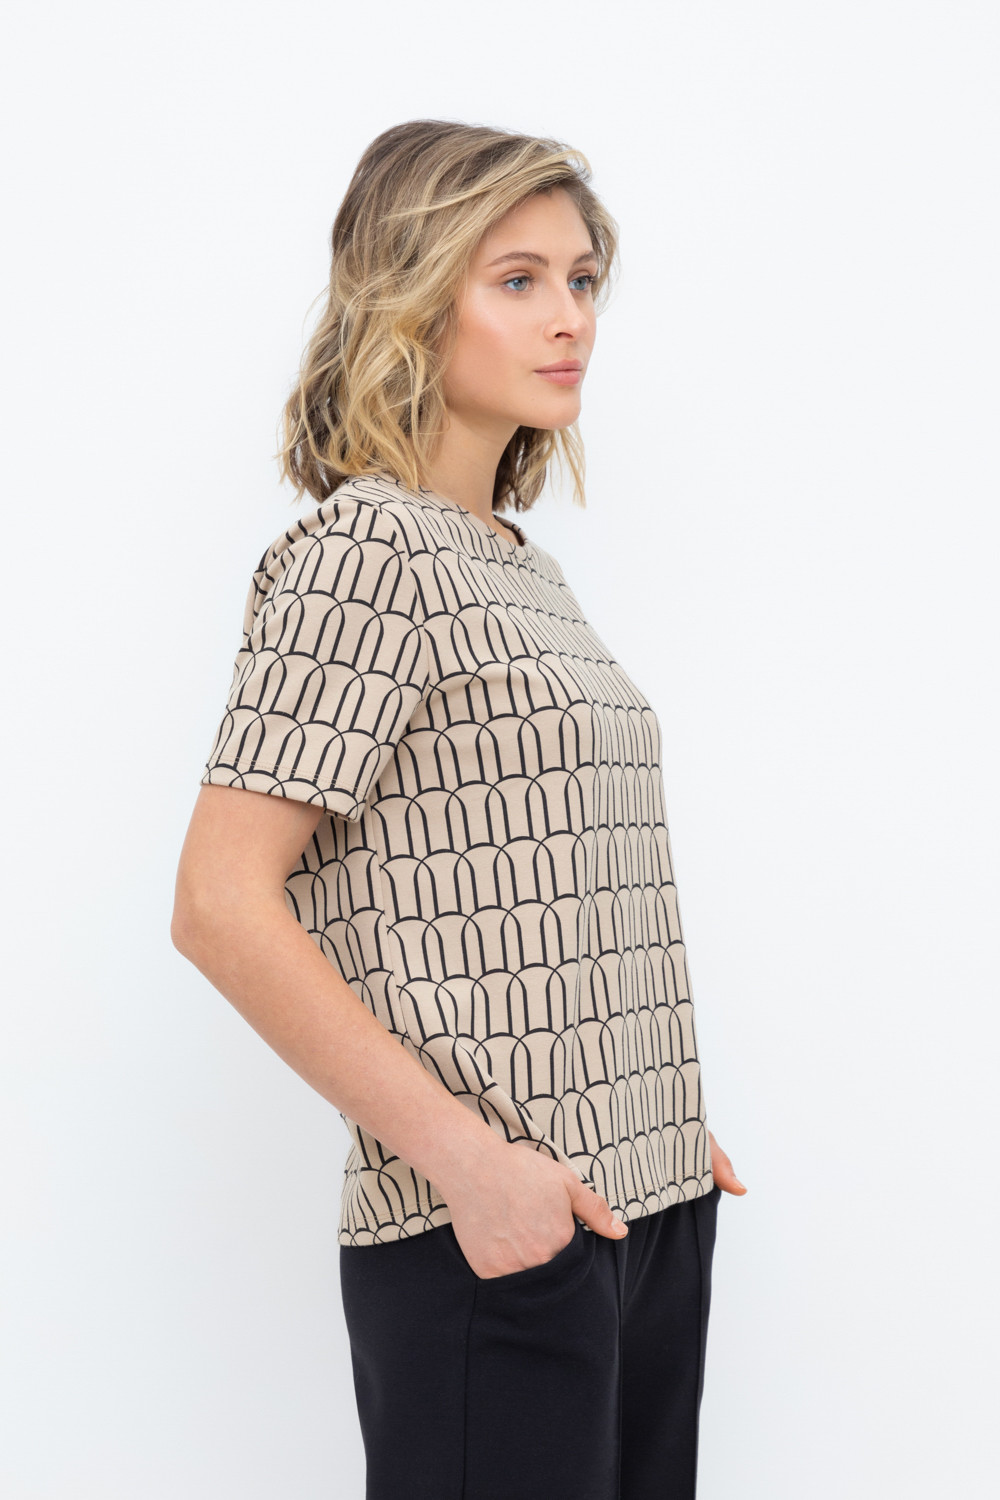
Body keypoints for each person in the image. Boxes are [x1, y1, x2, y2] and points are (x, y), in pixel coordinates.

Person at [171, 118, 747, 1500]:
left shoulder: (521, 568)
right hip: (490, 1230)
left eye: (584, 280)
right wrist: (472, 1166)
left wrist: (650, 1107)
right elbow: (218, 905)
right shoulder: (366, 551)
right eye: (520, 280)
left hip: (640, 1203)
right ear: (414, 294)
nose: (571, 318)